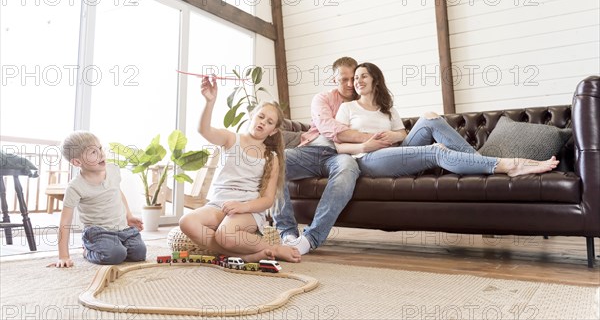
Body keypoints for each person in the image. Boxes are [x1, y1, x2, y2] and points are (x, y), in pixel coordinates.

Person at [334, 62, 560, 177]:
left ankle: (476, 160)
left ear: (376, 81)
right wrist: (365, 145)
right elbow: (337, 145)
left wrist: (392, 135)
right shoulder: (347, 108)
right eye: (355, 78)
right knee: (436, 150)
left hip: (397, 152)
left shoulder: (387, 109)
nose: (357, 80)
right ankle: (511, 165)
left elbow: (402, 135)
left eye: (363, 76)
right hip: (368, 160)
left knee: (430, 117)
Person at [179, 76, 301, 263]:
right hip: (218, 204)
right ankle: (247, 256)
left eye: (269, 122)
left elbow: (267, 200)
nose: (263, 122)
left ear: (273, 131)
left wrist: (242, 207)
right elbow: (203, 130)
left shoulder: (271, 157)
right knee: (187, 222)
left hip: (247, 210)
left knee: (225, 236)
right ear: (253, 116)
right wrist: (210, 102)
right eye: (261, 116)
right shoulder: (230, 139)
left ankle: (273, 249)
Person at [274, 57, 385, 255]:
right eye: (344, 79)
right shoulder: (322, 98)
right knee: (275, 161)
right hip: (314, 149)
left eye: (354, 78)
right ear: (334, 79)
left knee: (347, 170)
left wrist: (361, 142)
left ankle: (310, 238)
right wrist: (365, 138)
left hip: (345, 155)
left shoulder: (367, 101)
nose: (351, 84)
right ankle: (288, 233)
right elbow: (327, 127)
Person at [52, 131, 146, 268]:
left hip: (123, 229)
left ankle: (117, 245)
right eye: (93, 152)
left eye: (100, 148)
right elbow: (64, 221)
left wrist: (129, 216)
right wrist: (63, 256)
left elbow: (117, 193)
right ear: (77, 162)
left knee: (139, 253)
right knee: (115, 255)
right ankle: (87, 250)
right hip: (98, 232)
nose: (101, 154)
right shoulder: (75, 186)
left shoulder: (113, 170)